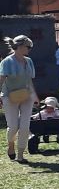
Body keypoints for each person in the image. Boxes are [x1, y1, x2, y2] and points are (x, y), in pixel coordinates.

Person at [2, 35, 37, 163]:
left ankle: (20, 155)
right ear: (20, 47)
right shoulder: (7, 61)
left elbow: (29, 81)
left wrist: (35, 96)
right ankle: (11, 145)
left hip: (26, 95)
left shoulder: (29, 61)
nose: (29, 49)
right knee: (13, 126)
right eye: (28, 47)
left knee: (25, 126)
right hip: (9, 96)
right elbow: (1, 80)